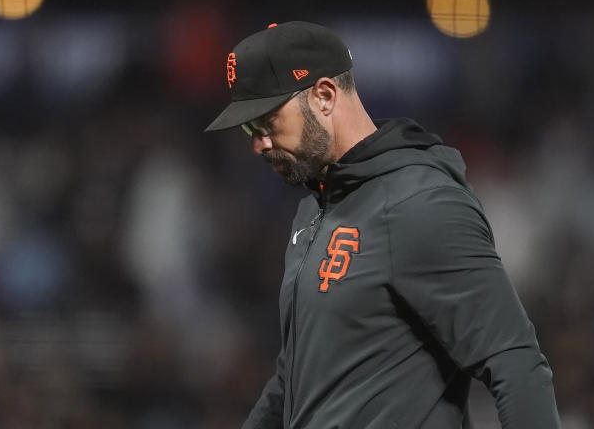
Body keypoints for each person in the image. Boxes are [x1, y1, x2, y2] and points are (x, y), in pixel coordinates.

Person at [206, 21, 560, 428]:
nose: (258, 142)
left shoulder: (419, 201)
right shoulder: (313, 209)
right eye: (250, 128)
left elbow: (514, 361)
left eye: (266, 121)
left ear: (323, 96)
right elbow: (296, 375)